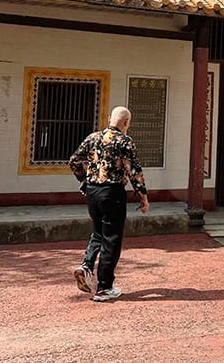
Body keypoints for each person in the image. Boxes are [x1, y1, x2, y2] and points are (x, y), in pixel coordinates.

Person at [69, 106, 149, 302]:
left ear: (109, 119)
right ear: (126, 122)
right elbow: (134, 171)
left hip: (92, 192)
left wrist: (84, 180)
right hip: (112, 192)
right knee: (112, 239)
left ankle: (86, 265)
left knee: (98, 232)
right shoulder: (125, 141)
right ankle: (104, 287)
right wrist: (143, 196)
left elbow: (74, 161)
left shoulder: (93, 137)